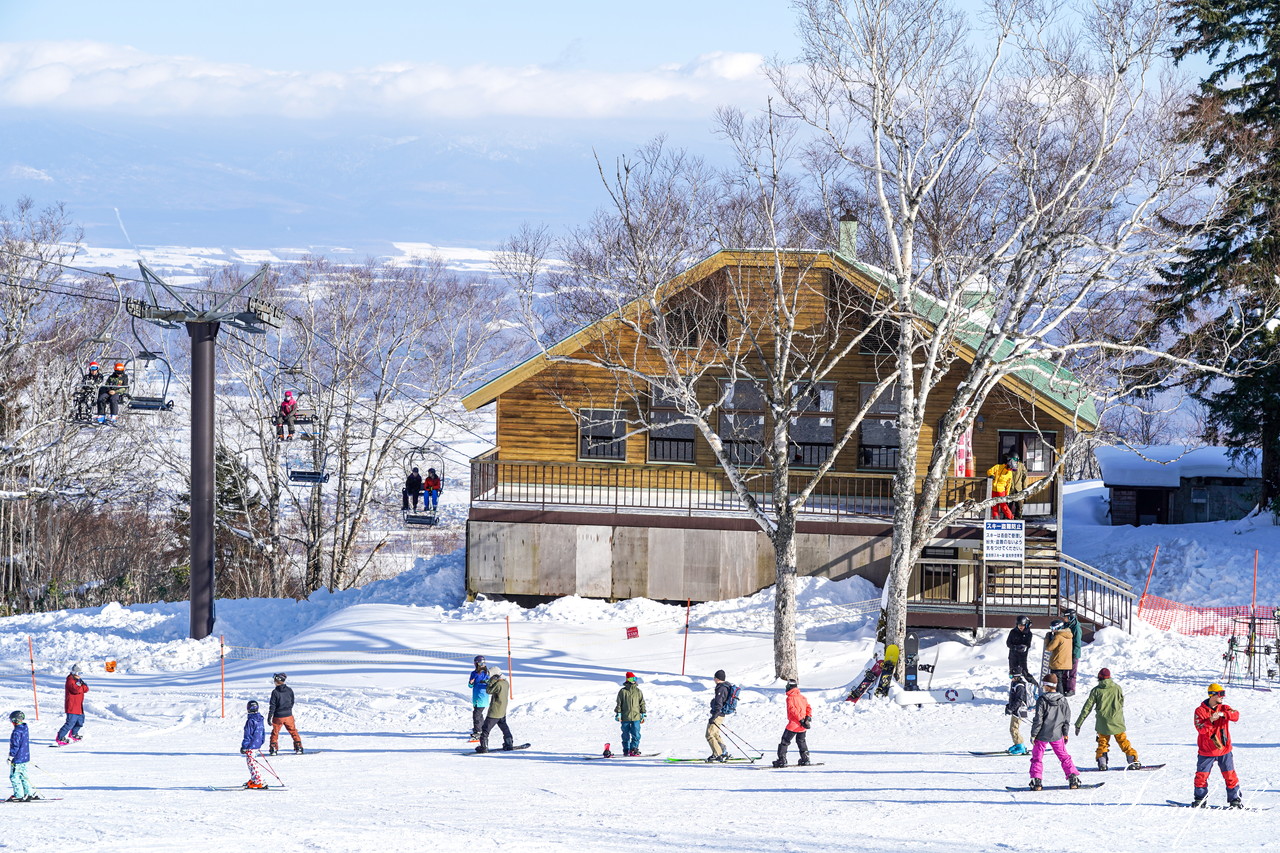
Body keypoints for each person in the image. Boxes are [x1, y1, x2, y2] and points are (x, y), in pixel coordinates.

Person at [1074, 668, 1139, 771]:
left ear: (1099, 677)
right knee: (1122, 740)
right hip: (1117, 720)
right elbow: (1121, 702)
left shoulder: (1096, 690)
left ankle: (1102, 762)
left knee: (1102, 742)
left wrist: (1078, 724)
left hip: (1102, 722)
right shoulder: (1117, 688)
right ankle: (1132, 759)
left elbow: (1087, 708)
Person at [1192, 683, 1242, 808]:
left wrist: (1224, 714)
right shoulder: (1200, 711)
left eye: (1223, 694)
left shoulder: (1224, 708)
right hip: (1206, 751)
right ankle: (1200, 799)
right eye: (1220, 694)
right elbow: (1201, 729)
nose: (1223, 697)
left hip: (1224, 750)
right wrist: (1210, 720)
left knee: (1230, 775)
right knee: (1201, 776)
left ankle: (1235, 799)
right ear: (1212, 695)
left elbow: (1236, 716)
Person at [1028, 673, 1081, 790]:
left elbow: (1038, 719)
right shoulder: (1062, 700)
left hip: (1042, 734)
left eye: (1044, 685)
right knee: (1064, 756)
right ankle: (1073, 777)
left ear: (1047, 686)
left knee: (1037, 757)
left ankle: (1037, 780)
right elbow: (1066, 718)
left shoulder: (1042, 700)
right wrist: (1065, 733)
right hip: (1057, 734)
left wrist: (1033, 734)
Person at [773, 679, 812, 768]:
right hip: (802, 726)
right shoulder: (802, 697)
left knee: (785, 741)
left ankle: (782, 760)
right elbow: (808, 708)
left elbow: (792, 710)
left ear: (790, 687)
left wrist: (801, 720)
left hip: (794, 724)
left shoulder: (790, 698)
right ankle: (805, 759)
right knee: (801, 741)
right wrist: (807, 719)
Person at [476, 665, 514, 753]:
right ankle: (509, 743)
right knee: (504, 727)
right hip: (502, 710)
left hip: (495, 711)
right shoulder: (505, 683)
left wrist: (491, 682)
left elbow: (489, 691)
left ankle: (483, 747)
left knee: (485, 729)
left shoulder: (498, 684)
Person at [267, 673, 303, 756]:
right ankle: (299, 747)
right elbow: (292, 701)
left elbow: (272, 705)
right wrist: (288, 709)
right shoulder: (289, 690)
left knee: (275, 732)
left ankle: (273, 749)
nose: (274, 682)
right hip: (288, 715)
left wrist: (270, 716)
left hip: (278, 716)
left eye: (275, 680)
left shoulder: (275, 692)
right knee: (293, 731)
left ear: (277, 681)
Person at [613, 672, 646, 757]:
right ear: (627, 679)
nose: (633, 681)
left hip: (636, 717)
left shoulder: (638, 691)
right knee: (625, 734)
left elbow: (642, 703)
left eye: (635, 679)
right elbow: (619, 704)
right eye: (631, 679)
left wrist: (643, 714)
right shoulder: (623, 691)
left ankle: (634, 749)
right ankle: (626, 749)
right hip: (625, 717)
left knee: (636, 734)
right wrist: (618, 714)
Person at [8, 710, 38, 803]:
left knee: (14, 776)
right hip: (25, 757)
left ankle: (18, 795)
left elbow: (15, 745)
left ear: (14, 720)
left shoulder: (16, 732)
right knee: (23, 775)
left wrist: (11, 756)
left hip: (18, 758)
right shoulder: (24, 728)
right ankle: (29, 793)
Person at [55, 664, 88, 746]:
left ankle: (73, 734)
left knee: (80, 721)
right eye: (78, 673)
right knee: (70, 723)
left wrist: (81, 685)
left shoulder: (79, 680)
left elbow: (86, 689)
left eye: (81, 673)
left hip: (79, 706)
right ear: (74, 672)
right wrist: (81, 686)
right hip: (72, 706)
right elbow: (76, 690)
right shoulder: (70, 680)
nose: (80, 675)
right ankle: (60, 737)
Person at [706, 669, 732, 762]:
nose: (714, 679)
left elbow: (719, 704)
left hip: (718, 714)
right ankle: (723, 752)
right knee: (715, 734)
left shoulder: (721, 688)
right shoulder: (725, 686)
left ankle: (718, 754)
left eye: (715, 677)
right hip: (720, 714)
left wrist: (714, 716)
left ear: (718, 678)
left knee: (709, 734)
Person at [241, 699, 267, 789]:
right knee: (252, 761)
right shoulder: (260, 719)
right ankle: (254, 779)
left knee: (251, 763)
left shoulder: (250, 721)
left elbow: (247, 735)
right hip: (257, 743)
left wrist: (244, 746)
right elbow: (263, 731)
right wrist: (261, 741)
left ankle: (258, 781)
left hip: (251, 745)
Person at [1006, 615, 1037, 686]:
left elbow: (1028, 644)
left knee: (1024, 672)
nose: (1021, 627)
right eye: (1019, 625)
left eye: (1022, 625)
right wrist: (1015, 647)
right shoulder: (1013, 632)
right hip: (1013, 655)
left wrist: (1024, 647)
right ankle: (1015, 686)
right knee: (1013, 672)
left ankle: (1034, 685)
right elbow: (1008, 643)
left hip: (1022, 656)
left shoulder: (1028, 633)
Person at [1005, 673, 1030, 755]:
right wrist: (1008, 706)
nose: (1010, 678)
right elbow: (1013, 698)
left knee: (1013, 728)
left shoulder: (1019, 686)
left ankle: (1020, 746)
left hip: (1019, 711)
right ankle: (1017, 744)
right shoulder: (1015, 684)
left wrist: (1011, 709)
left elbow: (1019, 700)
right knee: (1013, 728)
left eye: (1011, 676)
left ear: (1017, 677)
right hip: (1016, 710)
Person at [1045, 619, 1073, 692]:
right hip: (1065, 663)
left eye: (1053, 628)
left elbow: (1049, 648)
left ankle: (1059, 697)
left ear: (1058, 628)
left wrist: (1047, 639)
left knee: (1057, 681)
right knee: (1061, 680)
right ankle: (1061, 695)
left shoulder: (1058, 637)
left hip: (1057, 663)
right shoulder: (1068, 635)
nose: (1052, 630)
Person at [468, 655, 490, 740]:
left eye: (483, 663)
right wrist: (471, 682)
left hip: (483, 697)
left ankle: (478, 732)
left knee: (476, 714)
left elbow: (490, 683)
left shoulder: (487, 673)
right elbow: (470, 686)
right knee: (478, 714)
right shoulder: (473, 673)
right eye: (480, 663)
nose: (482, 665)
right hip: (475, 697)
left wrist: (486, 682)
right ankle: (481, 728)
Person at [1063, 610, 1083, 695]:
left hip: (1073, 653)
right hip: (1066, 652)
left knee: (1072, 673)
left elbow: (1077, 643)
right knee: (1063, 671)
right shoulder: (1066, 625)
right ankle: (1063, 687)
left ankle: (1071, 689)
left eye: (1066, 617)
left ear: (1071, 617)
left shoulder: (1076, 628)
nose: (1064, 619)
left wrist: (1075, 655)